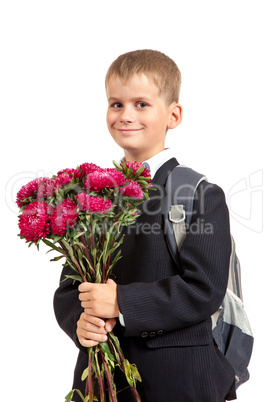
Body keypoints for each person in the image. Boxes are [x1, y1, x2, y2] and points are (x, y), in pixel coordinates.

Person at [54, 49, 237, 401]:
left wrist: (121, 301)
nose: (125, 115)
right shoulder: (93, 197)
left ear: (173, 115)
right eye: (116, 104)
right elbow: (70, 286)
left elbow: (204, 289)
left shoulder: (198, 194)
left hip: (178, 381)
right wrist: (81, 320)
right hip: (101, 378)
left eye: (141, 104)